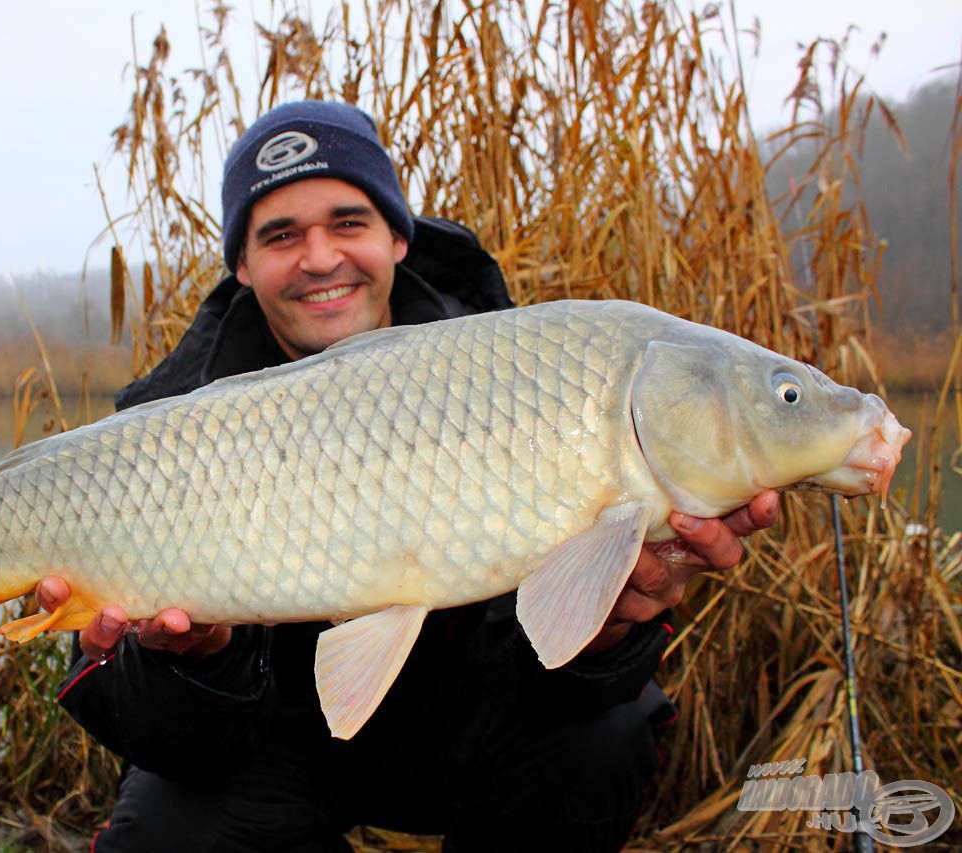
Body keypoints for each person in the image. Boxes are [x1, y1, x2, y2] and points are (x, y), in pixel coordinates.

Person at [38, 101, 779, 851]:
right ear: (241, 265)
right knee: (166, 830)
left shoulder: (522, 374)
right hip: (266, 747)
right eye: (281, 235)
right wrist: (199, 659)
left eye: (347, 222)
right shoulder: (169, 422)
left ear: (398, 235)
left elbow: (534, 672)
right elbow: (135, 720)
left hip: (459, 733)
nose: (321, 257)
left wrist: (607, 630)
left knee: (604, 737)